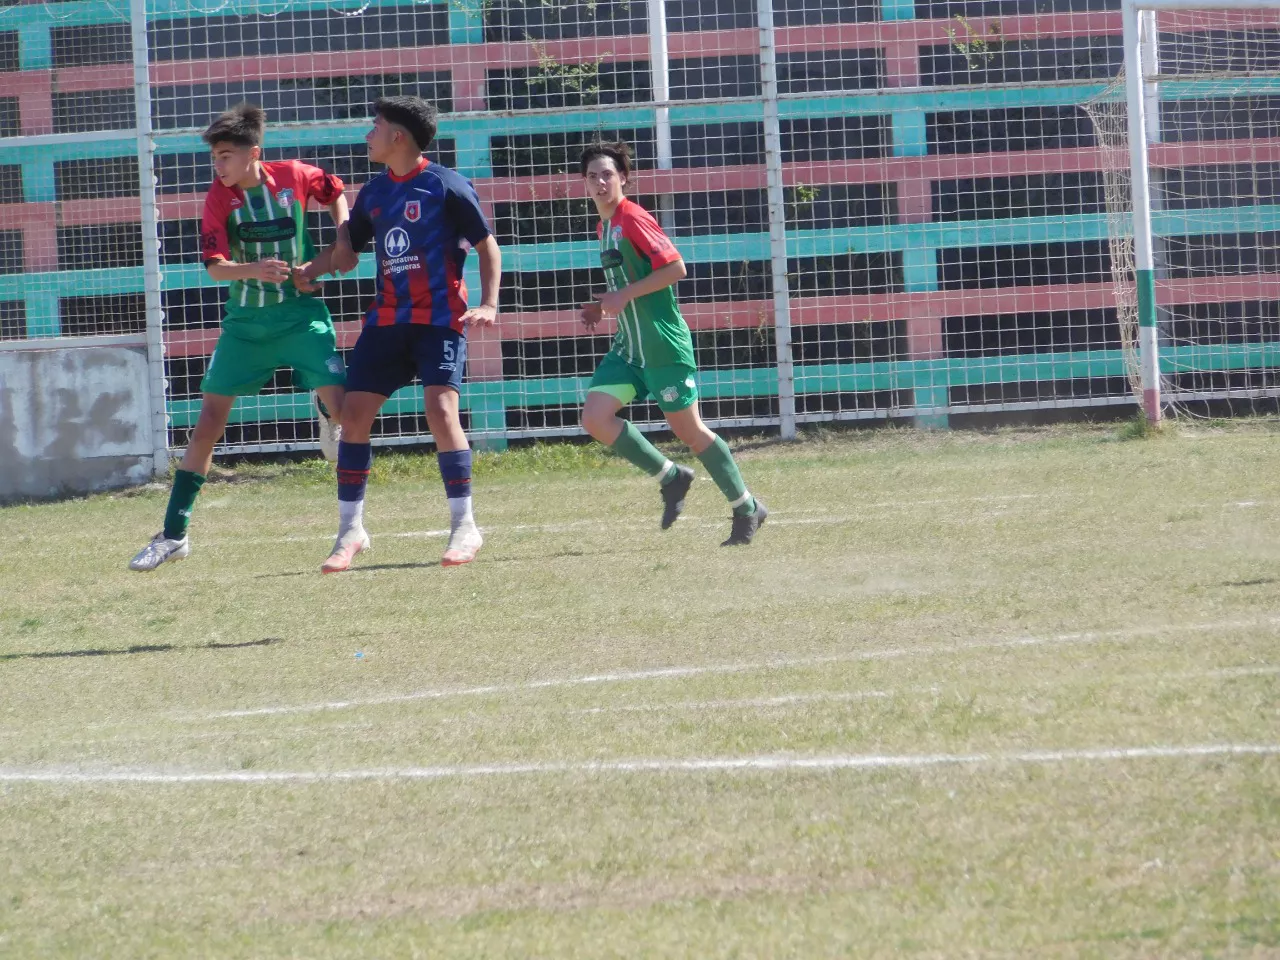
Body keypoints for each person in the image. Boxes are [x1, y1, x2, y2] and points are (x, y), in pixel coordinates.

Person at [130, 102, 348, 572]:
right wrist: (255, 269)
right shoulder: (218, 197)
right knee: (208, 422)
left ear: (254, 153)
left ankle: (351, 529)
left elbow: (335, 192)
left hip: (300, 315)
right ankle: (173, 535)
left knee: (345, 411)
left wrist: (341, 239)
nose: (219, 165)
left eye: (226, 155)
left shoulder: (294, 176)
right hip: (245, 326)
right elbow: (215, 269)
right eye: (215, 157)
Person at [300, 96, 502, 573]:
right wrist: (308, 271)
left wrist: (490, 303)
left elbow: (487, 246)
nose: (367, 135)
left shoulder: (446, 185)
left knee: (441, 409)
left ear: (398, 136)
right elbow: (347, 250)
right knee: (353, 415)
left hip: (438, 319)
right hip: (387, 320)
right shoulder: (374, 193)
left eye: (375, 126)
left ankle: (465, 527)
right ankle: (350, 531)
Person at [577, 140, 766, 545]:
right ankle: (671, 477)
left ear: (623, 177)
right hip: (630, 348)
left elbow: (676, 267)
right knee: (594, 417)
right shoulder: (604, 226)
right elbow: (626, 284)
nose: (600, 182)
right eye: (592, 176)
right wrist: (605, 305)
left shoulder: (632, 217)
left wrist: (623, 296)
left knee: (690, 432)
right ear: (585, 183)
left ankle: (747, 507)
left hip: (662, 346)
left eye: (608, 174)